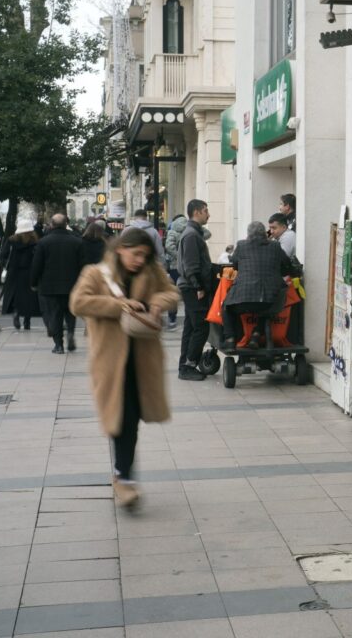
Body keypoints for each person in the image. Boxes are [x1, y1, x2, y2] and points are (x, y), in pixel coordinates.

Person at [69, 227, 179, 508]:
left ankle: (123, 474)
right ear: (121, 248)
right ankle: (124, 477)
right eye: (136, 254)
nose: (140, 260)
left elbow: (171, 292)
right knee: (123, 418)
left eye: (145, 255)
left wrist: (156, 302)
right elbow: (78, 303)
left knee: (132, 415)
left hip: (143, 359)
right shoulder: (95, 273)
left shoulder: (151, 271)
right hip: (110, 361)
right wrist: (119, 305)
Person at [221, 221, 292, 350]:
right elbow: (287, 265)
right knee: (266, 309)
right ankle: (256, 334)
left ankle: (230, 338)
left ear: (248, 234)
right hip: (273, 300)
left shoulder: (241, 245)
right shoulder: (275, 246)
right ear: (264, 233)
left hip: (243, 298)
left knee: (226, 307)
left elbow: (235, 265)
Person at [30, 214, 85, 354]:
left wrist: (33, 282)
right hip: (72, 285)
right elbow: (83, 265)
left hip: (50, 286)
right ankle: (71, 333)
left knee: (54, 314)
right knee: (70, 312)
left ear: (52, 225)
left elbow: (37, 265)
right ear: (66, 223)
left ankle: (58, 345)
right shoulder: (77, 242)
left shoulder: (43, 242)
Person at [176, 200, 212, 380]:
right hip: (192, 287)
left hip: (190, 286)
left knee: (190, 327)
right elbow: (191, 265)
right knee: (201, 327)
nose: (208, 214)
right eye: (206, 211)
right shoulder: (191, 235)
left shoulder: (192, 233)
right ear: (197, 212)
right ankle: (189, 365)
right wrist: (198, 286)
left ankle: (185, 365)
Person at [0, 221, 42, 330]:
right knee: (28, 298)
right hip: (29, 272)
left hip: (13, 272)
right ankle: (27, 321)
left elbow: (3, 255)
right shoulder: (35, 242)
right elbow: (38, 258)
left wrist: (7, 265)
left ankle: (16, 314)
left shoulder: (11, 241)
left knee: (15, 296)